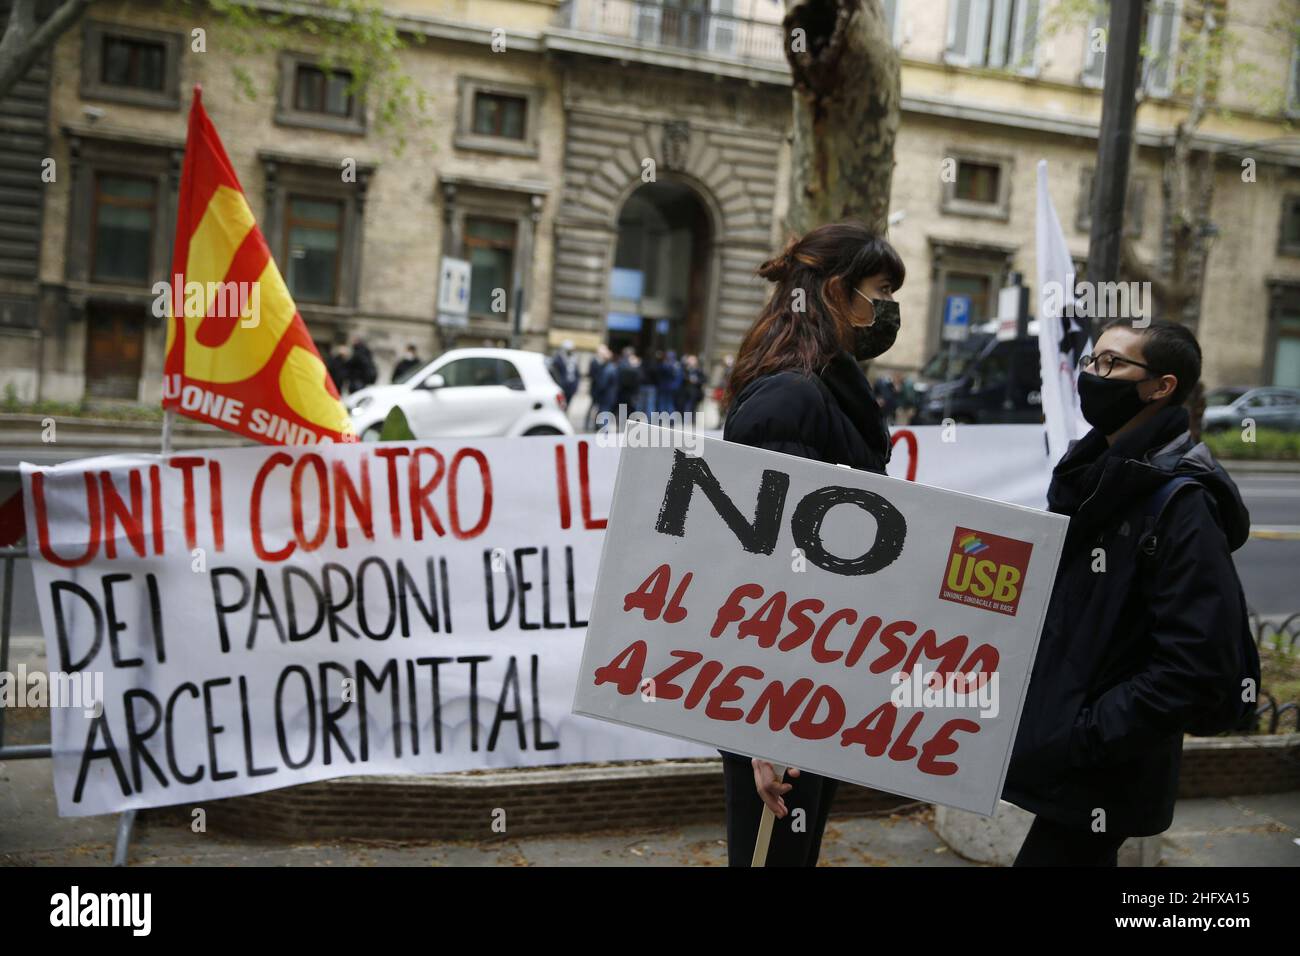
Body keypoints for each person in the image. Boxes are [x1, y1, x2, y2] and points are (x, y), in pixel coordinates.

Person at [1004, 318, 1259, 866]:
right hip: (1071, 755)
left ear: (1161, 386)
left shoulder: (1182, 504)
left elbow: (1198, 665)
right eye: (1093, 361)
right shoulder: (1099, 471)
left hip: (1103, 766)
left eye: (1113, 364)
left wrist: (1086, 735)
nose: (1093, 374)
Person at [720, 221, 906, 867]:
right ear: (837, 291)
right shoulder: (793, 397)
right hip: (783, 693)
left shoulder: (815, 390)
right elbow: (772, 570)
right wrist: (762, 733)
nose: (888, 309)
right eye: (881, 290)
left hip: (806, 681)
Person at [550, 340, 580, 407]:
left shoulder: (574, 359)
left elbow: (577, 374)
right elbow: (555, 373)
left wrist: (576, 385)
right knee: (559, 405)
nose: (570, 351)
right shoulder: (558, 359)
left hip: (571, 386)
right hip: (561, 386)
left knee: (567, 405)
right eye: (569, 350)